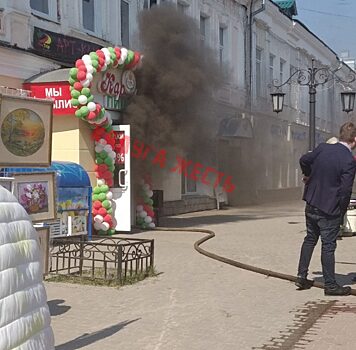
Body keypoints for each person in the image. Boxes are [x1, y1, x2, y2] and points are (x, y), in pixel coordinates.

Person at [296, 121, 356, 296]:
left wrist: (307, 174)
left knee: (310, 239)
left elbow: (303, 159)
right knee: (328, 246)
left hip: (312, 202)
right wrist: (342, 211)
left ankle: (301, 275)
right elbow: (345, 190)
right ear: (354, 139)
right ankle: (330, 285)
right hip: (329, 209)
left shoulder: (323, 148)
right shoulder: (348, 160)